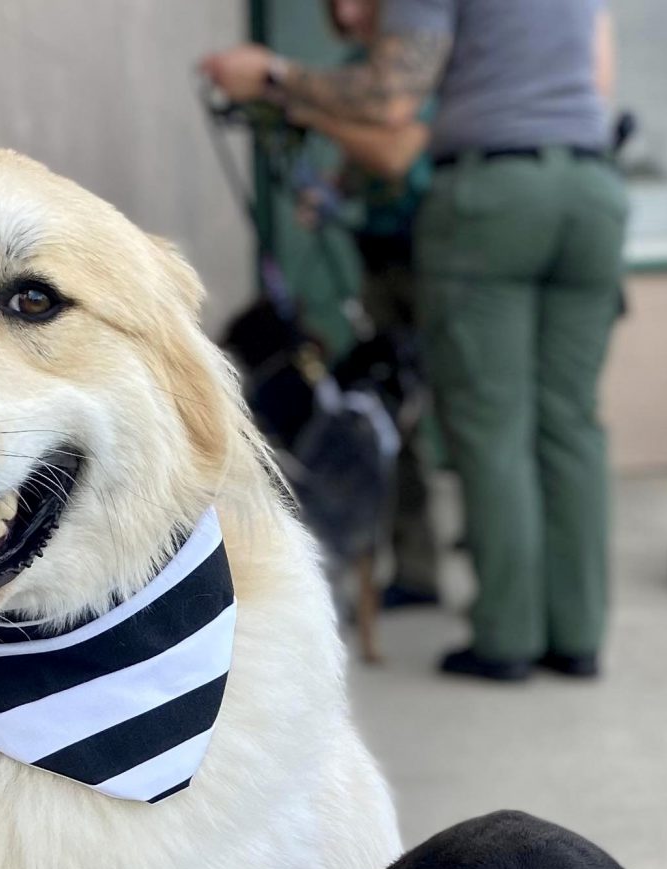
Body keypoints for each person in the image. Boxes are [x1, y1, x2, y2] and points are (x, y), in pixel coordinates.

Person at [203, 1, 625, 683]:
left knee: (493, 425)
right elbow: (599, 83)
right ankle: (577, 636)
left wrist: (272, 76)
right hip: (593, 188)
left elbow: (392, 95)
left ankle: (507, 638)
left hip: (495, 193)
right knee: (571, 424)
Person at [290, 0, 441, 612]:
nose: (348, 11)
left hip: (436, 258)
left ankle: (484, 576)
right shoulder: (359, 67)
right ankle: (416, 567)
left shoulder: (415, 63)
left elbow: (394, 151)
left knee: (458, 418)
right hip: (379, 258)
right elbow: (363, 163)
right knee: (392, 427)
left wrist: (303, 106)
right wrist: (330, 190)